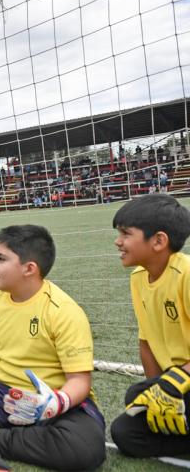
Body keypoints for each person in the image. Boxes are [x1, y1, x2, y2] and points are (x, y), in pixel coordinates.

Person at [0, 225, 106, 472]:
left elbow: (80, 381)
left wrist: (55, 403)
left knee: (86, 449)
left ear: (29, 268)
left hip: (54, 400)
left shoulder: (64, 311)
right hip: (3, 395)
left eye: (1, 258)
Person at [109, 194, 190, 458]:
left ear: (159, 241)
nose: (118, 242)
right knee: (126, 428)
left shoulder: (186, 275)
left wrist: (176, 381)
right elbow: (146, 341)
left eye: (125, 234)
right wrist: (157, 389)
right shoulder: (139, 278)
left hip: (184, 380)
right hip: (176, 385)